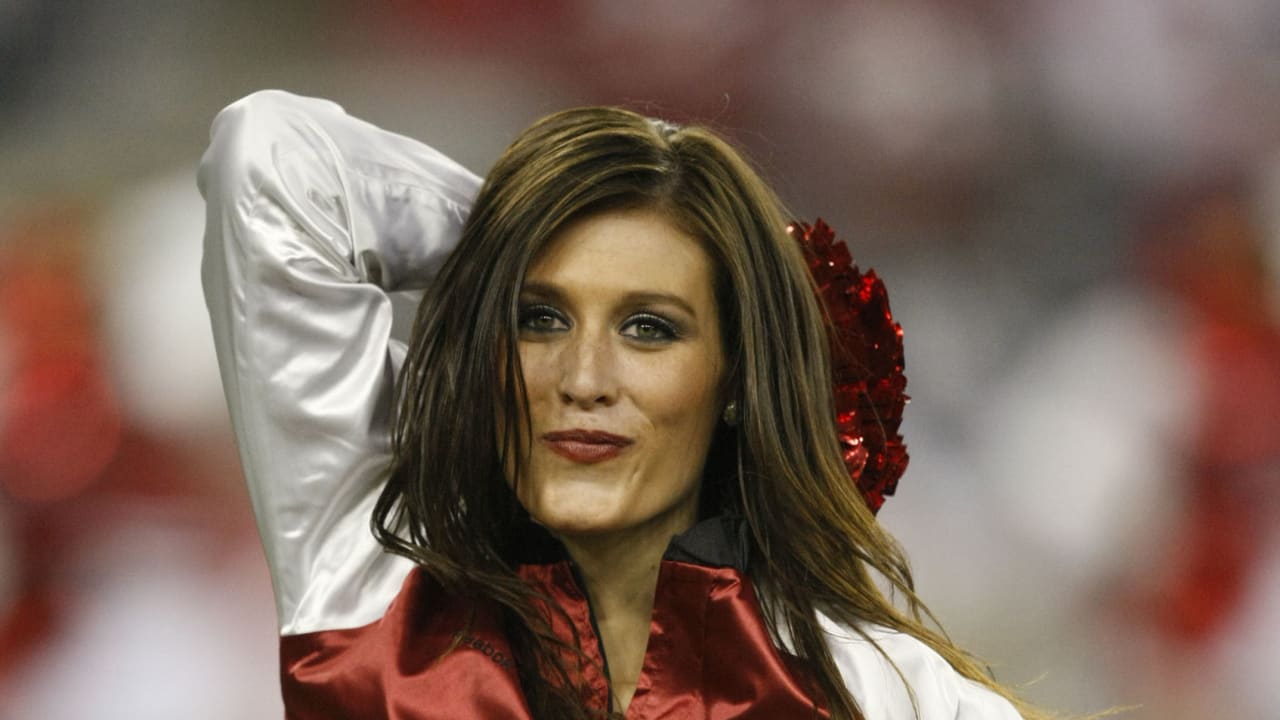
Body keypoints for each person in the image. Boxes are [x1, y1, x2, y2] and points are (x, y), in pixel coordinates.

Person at [200, 90, 1035, 719]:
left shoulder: (883, 697)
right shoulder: (376, 596)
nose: (582, 376)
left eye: (648, 328)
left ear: (739, 376)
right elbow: (270, 161)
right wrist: (504, 238)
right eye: (539, 318)